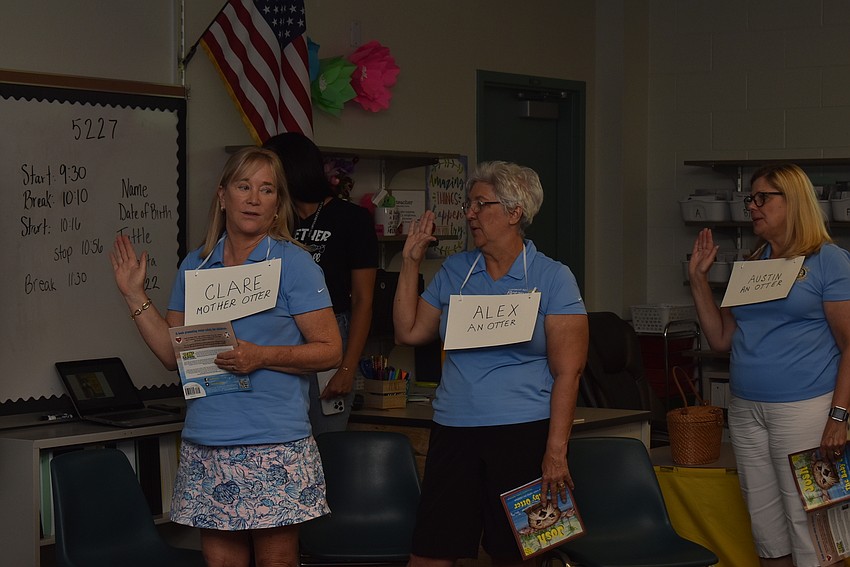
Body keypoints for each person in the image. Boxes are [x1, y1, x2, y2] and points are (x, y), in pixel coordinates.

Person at [110, 147, 342, 567]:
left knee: (277, 562)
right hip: (208, 440)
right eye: (244, 186)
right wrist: (134, 294)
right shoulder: (196, 266)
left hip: (275, 440)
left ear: (277, 205)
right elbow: (169, 354)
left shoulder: (293, 263)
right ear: (223, 196)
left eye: (266, 189)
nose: (254, 198)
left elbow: (330, 350)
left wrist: (261, 356)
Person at [393, 161, 588, 566]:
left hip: (524, 435)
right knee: (430, 553)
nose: (469, 213)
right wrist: (410, 262)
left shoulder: (553, 277)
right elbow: (408, 332)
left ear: (515, 212)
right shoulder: (456, 270)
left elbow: (569, 371)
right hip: (454, 430)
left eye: (481, 204)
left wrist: (555, 451)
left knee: (522, 556)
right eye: (469, 204)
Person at [688, 164, 850, 567]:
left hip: (805, 409)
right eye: (751, 198)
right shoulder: (755, 259)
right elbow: (722, 338)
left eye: (762, 198)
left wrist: (839, 416)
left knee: (811, 524)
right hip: (746, 409)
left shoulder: (829, 260)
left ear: (792, 201)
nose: (752, 206)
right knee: (765, 527)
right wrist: (698, 282)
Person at [264, 133, 378, 436]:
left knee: (327, 445)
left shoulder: (352, 218)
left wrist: (346, 369)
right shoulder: (272, 222)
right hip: (278, 333)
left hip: (332, 331)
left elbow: (363, 301)